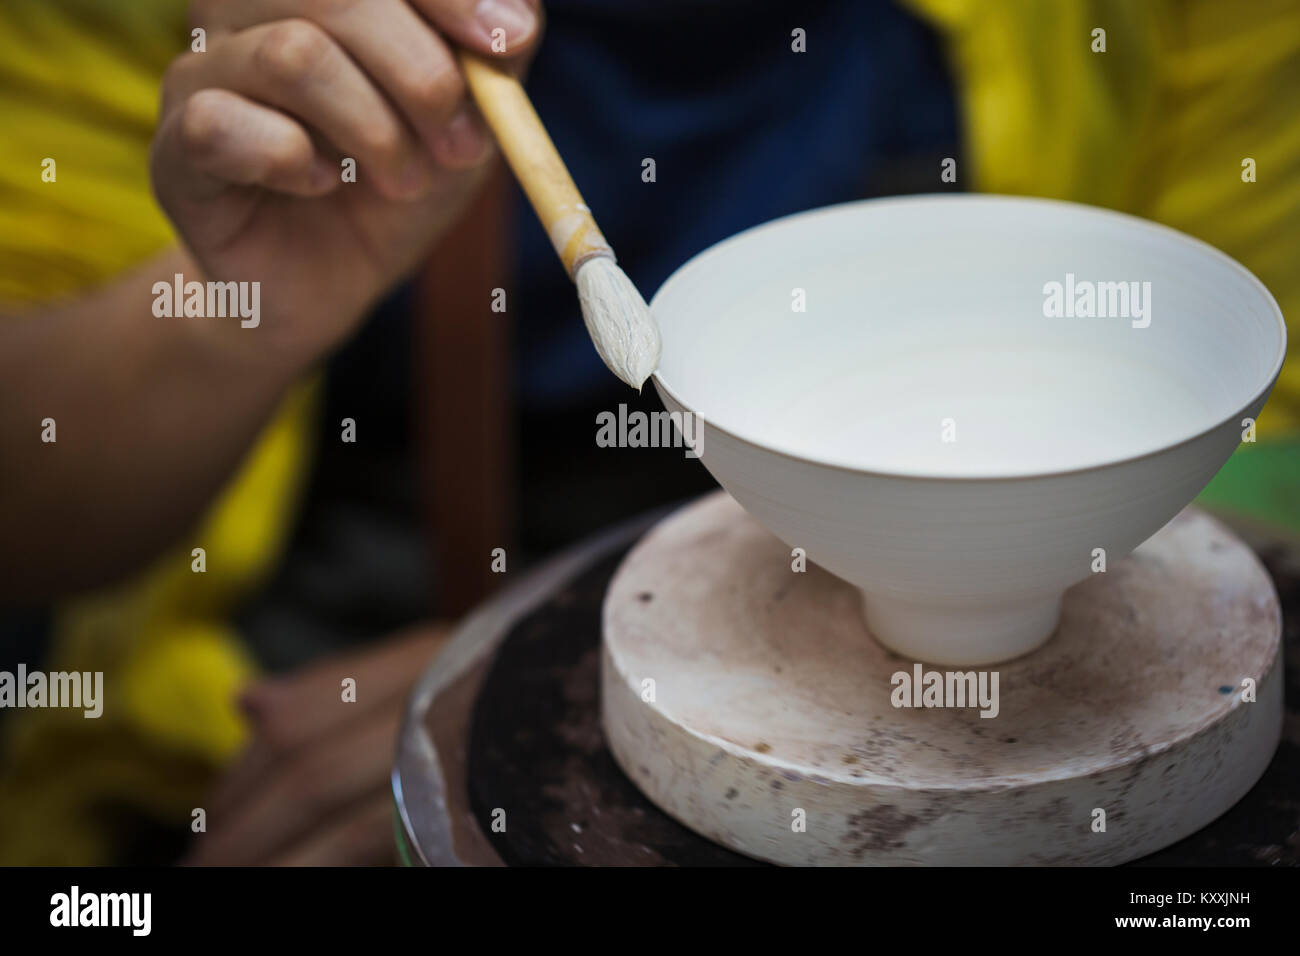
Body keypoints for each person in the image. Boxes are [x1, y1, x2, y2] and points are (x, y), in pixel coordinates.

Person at [0, 0, 1294, 865]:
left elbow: (1262, 424)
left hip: (713, 638)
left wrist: (566, 630)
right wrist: (235, 309)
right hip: (315, 662)